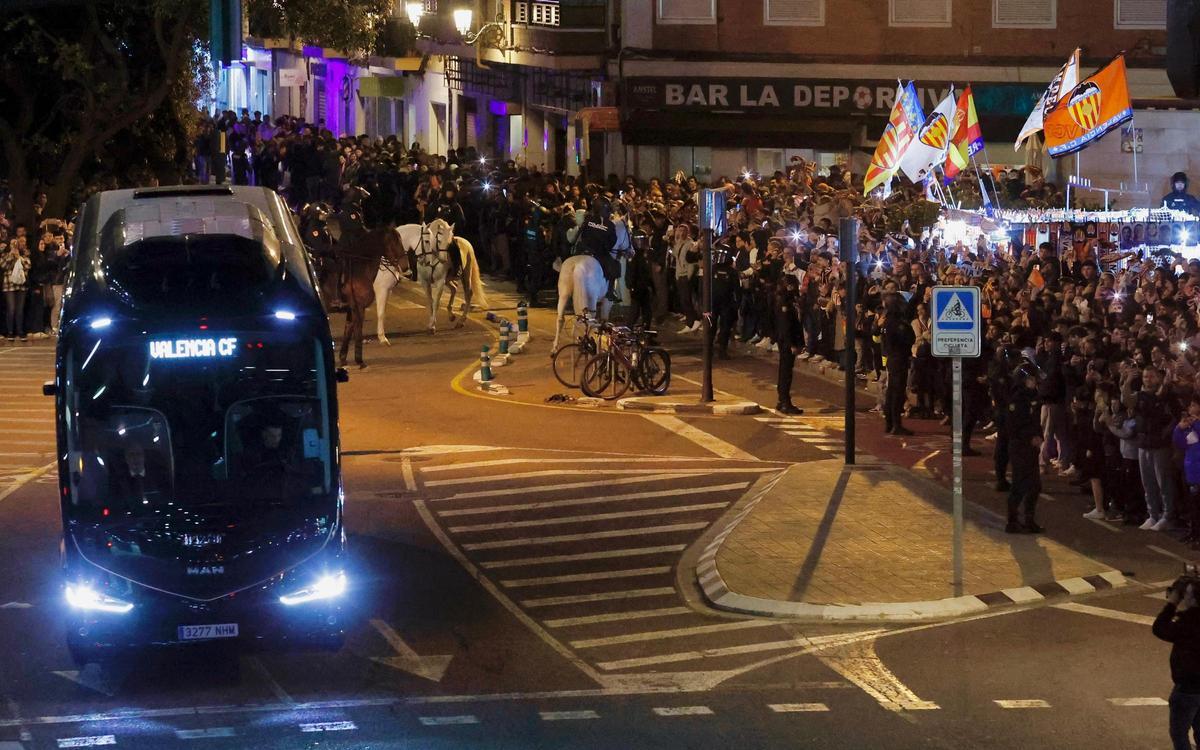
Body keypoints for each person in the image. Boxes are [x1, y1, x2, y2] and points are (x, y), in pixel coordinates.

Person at [1153, 573, 1200, 750]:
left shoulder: (1188, 623)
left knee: (1179, 734)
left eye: (1187, 594)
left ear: (1194, 600)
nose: (1184, 597)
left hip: (1188, 689)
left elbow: (1159, 629)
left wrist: (1172, 603)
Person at [1007, 359, 1044, 533]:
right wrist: (1031, 437)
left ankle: (1029, 519)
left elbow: (1035, 421)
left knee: (1035, 485)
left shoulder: (1032, 397)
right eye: (1031, 379)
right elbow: (1016, 425)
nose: (1034, 382)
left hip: (1030, 446)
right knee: (1020, 484)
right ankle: (1012, 521)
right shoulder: (1018, 399)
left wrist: (1038, 436)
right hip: (1020, 446)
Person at [881, 294, 915, 436]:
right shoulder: (897, 323)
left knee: (891, 392)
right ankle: (896, 424)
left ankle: (890, 423)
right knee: (897, 393)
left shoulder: (886, 321)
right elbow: (909, 338)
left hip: (892, 358)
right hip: (898, 358)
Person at [773, 274, 804, 415]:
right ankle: (785, 401)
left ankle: (782, 400)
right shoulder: (785, 302)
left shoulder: (787, 300)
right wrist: (792, 343)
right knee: (786, 372)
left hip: (785, 340)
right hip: (787, 341)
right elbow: (786, 325)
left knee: (784, 370)